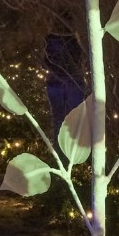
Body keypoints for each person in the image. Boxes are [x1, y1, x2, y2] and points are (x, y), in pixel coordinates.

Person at [44, 10, 86, 159]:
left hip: (55, 82)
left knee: (58, 118)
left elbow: (46, 62)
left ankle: (59, 154)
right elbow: (82, 59)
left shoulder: (50, 39)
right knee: (75, 119)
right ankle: (74, 154)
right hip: (74, 82)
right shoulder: (75, 41)